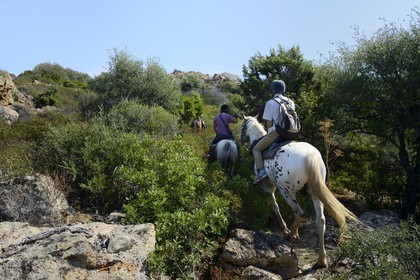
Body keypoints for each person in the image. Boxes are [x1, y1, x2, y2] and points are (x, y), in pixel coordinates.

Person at [252, 79, 296, 184]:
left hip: (276, 134)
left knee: (256, 149)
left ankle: (262, 173)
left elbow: (269, 123)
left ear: (273, 91)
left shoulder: (271, 102)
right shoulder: (290, 102)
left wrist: (269, 133)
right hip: (291, 133)